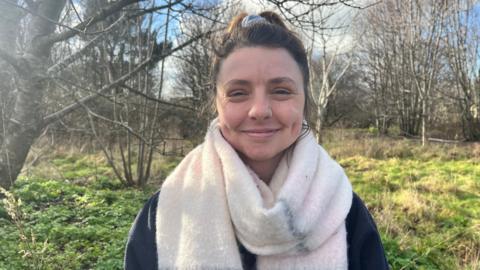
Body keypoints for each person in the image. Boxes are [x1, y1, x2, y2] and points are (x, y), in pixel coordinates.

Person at [124, 11, 389, 270]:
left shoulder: (345, 212)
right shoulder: (166, 212)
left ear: (304, 99)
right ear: (216, 102)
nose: (259, 110)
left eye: (281, 91)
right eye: (238, 93)